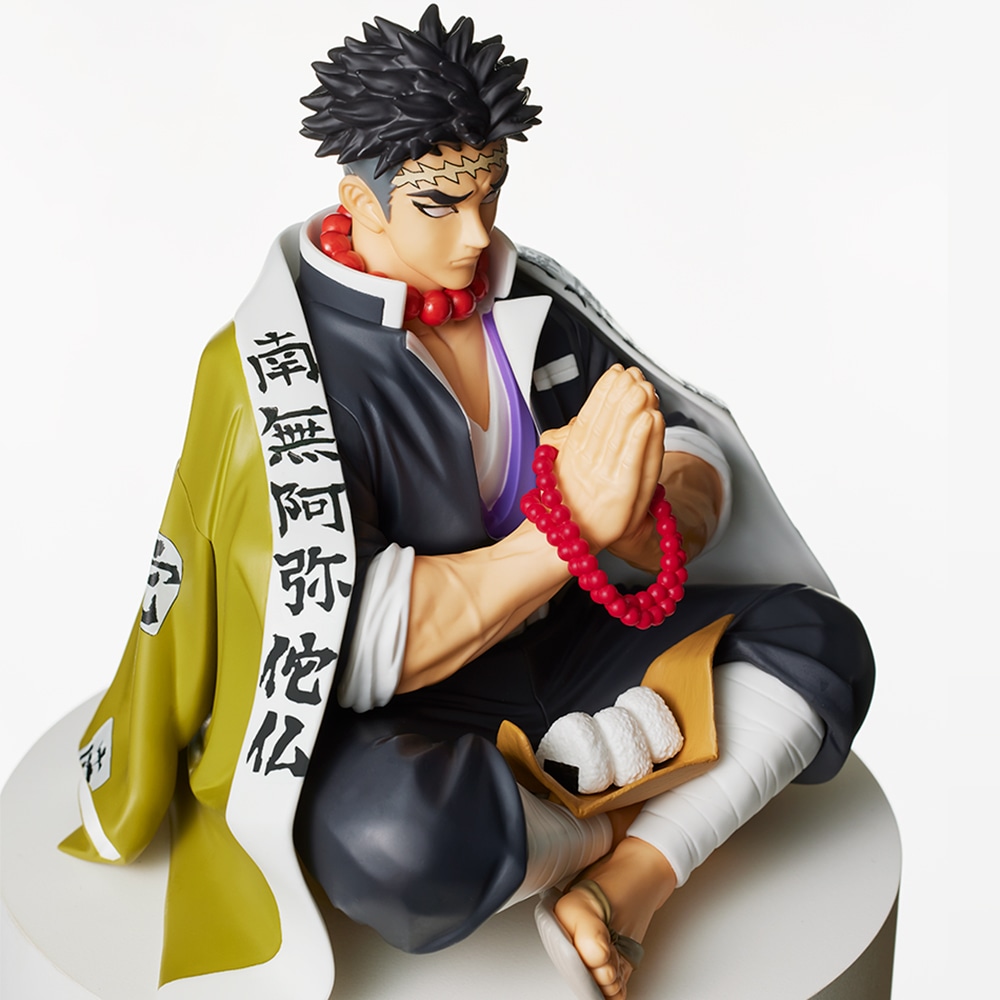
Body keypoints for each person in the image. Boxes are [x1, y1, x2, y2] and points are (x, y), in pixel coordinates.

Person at [60, 7, 874, 999]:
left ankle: (629, 882)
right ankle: (581, 824)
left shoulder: (522, 295)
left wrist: (650, 497)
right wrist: (566, 530)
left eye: (490, 194)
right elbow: (343, 638)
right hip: (414, 710)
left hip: (568, 642)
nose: (477, 232)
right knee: (391, 839)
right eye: (440, 204)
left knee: (817, 642)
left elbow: (679, 442)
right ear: (359, 202)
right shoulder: (280, 375)